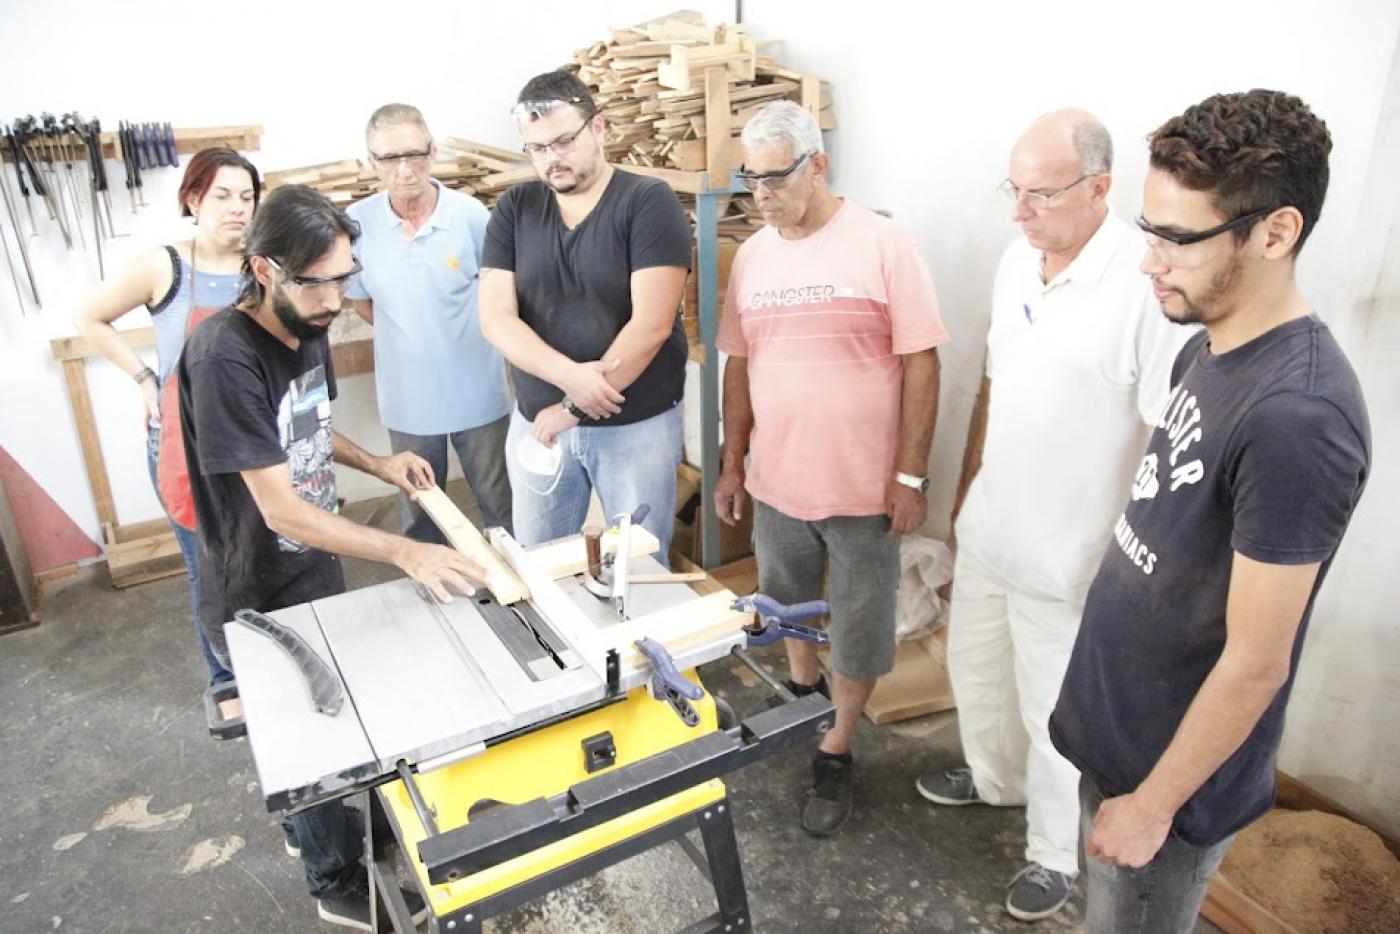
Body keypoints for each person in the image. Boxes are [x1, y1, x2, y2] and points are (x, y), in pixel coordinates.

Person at [1049, 89, 1370, 932]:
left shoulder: (1299, 418)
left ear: (1276, 232)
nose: (1150, 261)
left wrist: (1154, 804)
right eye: (1149, 229)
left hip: (1171, 787)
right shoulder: (1207, 341)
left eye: (1179, 239)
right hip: (1119, 736)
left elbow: (1259, 663)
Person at [179, 184, 486, 928]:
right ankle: (332, 879)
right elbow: (279, 508)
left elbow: (307, 428)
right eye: (319, 282)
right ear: (265, 270)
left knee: (336, 726)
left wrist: (379, 465)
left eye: (345, 278)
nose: (336, 299)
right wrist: (405, 554)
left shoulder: (308, 321)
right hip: (257, 580)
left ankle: (312, 828)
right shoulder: (223, 355)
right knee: (310, 746)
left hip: (313, 564)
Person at [913, 110, 1191, 921]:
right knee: (977, 674)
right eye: (1015, 190)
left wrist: (1134, 563)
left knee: (1053, 716)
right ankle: (993, 783)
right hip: (995, 528)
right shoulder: (1016, 263)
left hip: (1071, 554)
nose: (1019, 210)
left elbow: (1166, 438)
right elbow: (997, 388)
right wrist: (966, 496)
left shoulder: (1142, 288)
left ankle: (1052, 856)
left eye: (1039, 193)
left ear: (1100, 189)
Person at [713, 101, 947, 837]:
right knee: (785, 602)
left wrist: (910, 478)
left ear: (818, 164)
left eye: (775, 177)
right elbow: (738, 367)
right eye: (750, 180)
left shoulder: (884, 244)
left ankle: (837, 747)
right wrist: (730, 466)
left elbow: (922, 363)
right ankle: (802, 697)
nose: (763, 195)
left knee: (859, 621)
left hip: (863, 489)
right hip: (777, 483)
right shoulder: (753, 255)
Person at [479, 70, 691, 554]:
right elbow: (496, 318)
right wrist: (570, 381)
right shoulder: (515, 208)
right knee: (543, 565)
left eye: (563, 140)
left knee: (636, 566)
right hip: (541, 425)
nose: (552, 158)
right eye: (536, 148)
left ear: (598, 128)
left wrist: (575, 406)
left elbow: (652, 324)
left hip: (634, 426)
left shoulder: (647, 202)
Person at [73, 147, 260, 688]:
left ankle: (266, 668)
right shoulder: (167, 265)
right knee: (210, 570)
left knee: (260, 561)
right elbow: (90, 316)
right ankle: (226, 679)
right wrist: (143, 378)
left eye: (246, 197)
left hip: (251, 440)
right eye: (222, 196)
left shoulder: (265, 263)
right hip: (186, 446)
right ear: (194, 199)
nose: (237, 209)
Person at [345, 103, 512, 541]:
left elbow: (499, 292)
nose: (405, 170)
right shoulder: (358, 225)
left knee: (502, 506)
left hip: (480, 392)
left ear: (433, 153)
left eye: (415, 155)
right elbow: (365, 304)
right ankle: (436, 593)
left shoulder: (470, 215)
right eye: (389, 159)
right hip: (408, 399)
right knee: (423, 511)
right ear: (370, 164)